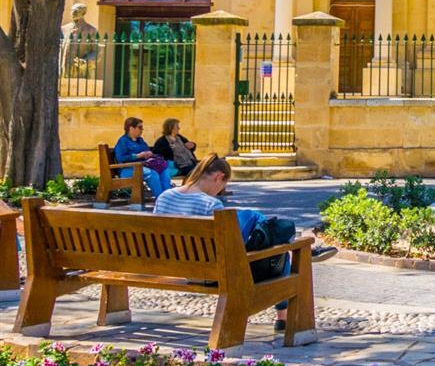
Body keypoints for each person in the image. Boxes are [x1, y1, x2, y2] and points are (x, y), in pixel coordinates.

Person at [153, 156, 336, 332]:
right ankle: (284, 314)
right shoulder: (210, 204)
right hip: (210, 272)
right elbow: (228, 251)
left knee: (249, 216)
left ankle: (288, 244)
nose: (220, 190)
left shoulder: (165, 197)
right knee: (274, 244)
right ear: (219, 177)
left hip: (173, 267)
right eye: (223, 185)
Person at [113, 116, 173, 198]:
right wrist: (137, 156)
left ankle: (169, 198)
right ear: (131, 128)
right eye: (140, 127)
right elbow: (121, 158)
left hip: (143, 167)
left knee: (163, 170)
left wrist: (149, 154)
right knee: (152, 173)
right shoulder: (123, 141)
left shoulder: (140, 140)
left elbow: (147, 151)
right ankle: (161, 199)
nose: (142, 130)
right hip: (127, 169)